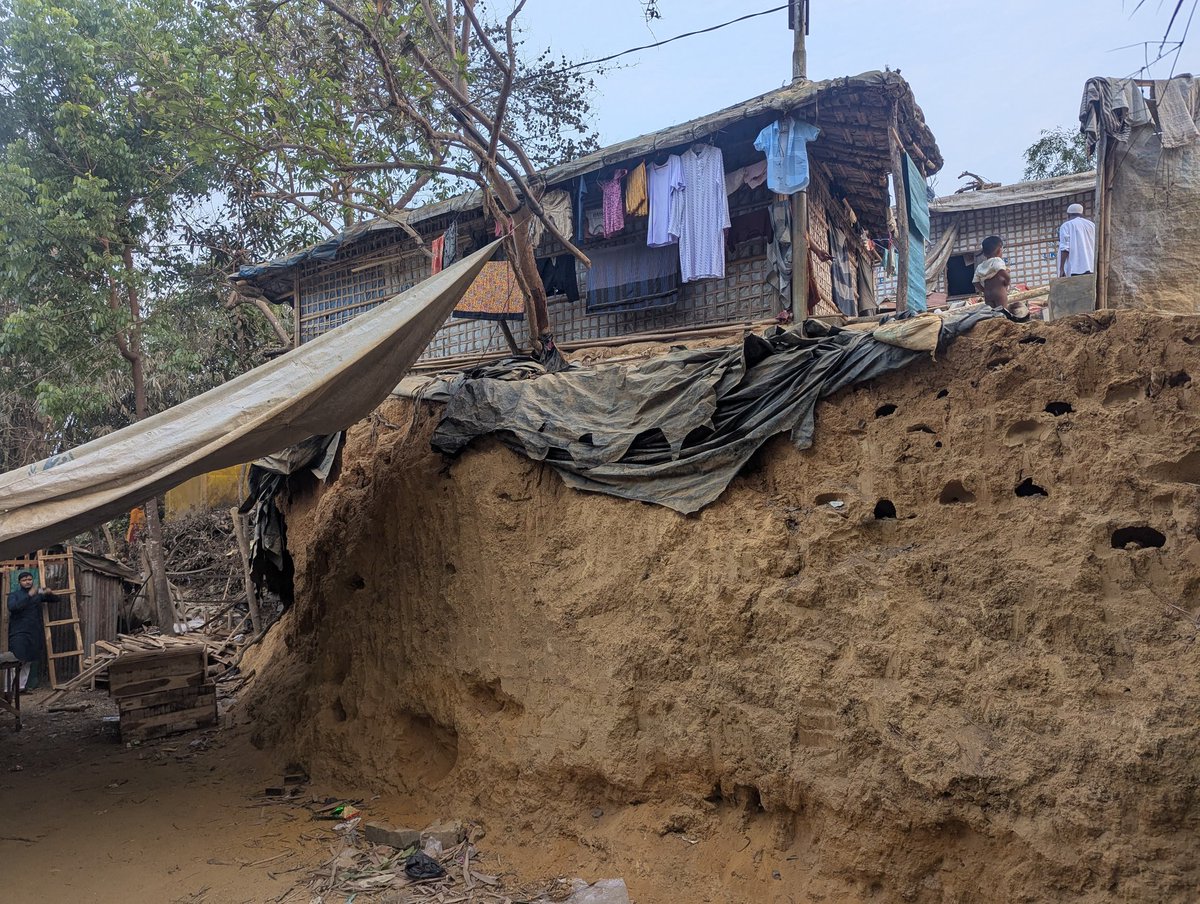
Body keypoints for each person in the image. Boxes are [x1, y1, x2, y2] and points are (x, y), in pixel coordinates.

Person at [7, 571, 57, 691]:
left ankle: (21, 687)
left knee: (29, 660)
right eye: (24, 580)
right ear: (19, 582)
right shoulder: (14, 595)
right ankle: (7, 689)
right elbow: (13, 607)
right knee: (16, 660)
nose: (27, 581)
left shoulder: (37, 594)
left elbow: (56, 600)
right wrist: (29, 595)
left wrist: (49, 593)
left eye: (29, 579)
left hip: (34, 632)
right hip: (18, 632)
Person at [973, 235, 1029, 321]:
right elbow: (1002, 272)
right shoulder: (997, 260)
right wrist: (1007, 282)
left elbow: (975, 282)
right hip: (999, 292)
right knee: (1003, 312)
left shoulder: (980, 266)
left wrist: (984, 290)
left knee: (992, 314)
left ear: (984, 253)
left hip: (987, 294)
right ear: (1000, 249)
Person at [1058, 202, 1096, 277]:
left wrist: (1061, 268)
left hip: (1075, 269)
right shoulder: (1092, 225)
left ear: (1068, 215)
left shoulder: (1066, 226)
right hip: (1092, 266)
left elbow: (1065, 248)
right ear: (1082, 214)